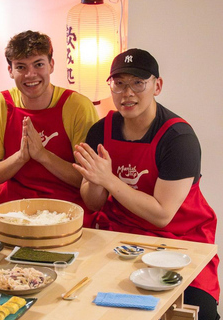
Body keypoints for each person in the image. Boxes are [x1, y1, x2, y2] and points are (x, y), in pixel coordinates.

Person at [73, 48, 219, 319]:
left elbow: (162, 215)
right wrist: (95, 181)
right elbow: (93, 202)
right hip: (119, 237)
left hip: (180, 241)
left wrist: (108, 179)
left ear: (157, 85)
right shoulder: (100, 131)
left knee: (201, 312)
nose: (127, 93)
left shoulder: (178, 138)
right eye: (119, 83)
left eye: (138, 83)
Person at [0, 30, 98, 226]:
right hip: (14, 213)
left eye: (38, 64)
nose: (30, 75)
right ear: (10, 70)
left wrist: (42, 155)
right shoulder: (0, 104)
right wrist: (21, 157)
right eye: (21, 67)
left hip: (68, 214)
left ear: (51, 65)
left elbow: (90, 181)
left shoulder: (77, 106)